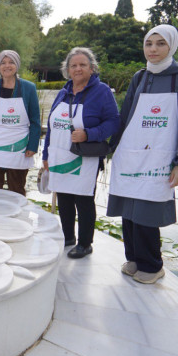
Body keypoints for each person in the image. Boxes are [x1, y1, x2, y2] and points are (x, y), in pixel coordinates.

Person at [107, 25, 178, 284]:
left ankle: (152, 265)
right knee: (129, 209)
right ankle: (135, 258)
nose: (154, 49)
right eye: (149, 44)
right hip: (134, 153)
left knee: (147, 210)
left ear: (171, 46)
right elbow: (126, 115)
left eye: (160, 43)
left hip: (161, 157)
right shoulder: (140, 77)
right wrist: (111, 146)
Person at [42, 47, 120, 258]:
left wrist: (89, 133)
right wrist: (46, 155)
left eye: (82, 65)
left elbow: (114, 121)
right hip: (60, 154)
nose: (78, 69)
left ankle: (85, 243)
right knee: (64, 197)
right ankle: (68, 237)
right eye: (73, 65)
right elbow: (51, 126)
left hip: (85, 156)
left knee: (83, 199)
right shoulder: (63, 92)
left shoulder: (101, 91)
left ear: (92, 68)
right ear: (67, 69)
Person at [0, 50, 40, 195]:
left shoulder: (29, 88)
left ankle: (18, 218)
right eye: (3, 63)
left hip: (19, 149)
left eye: (11, 62)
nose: (7, 66)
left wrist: (33, 144)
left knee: (17, 190)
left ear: (17, 65)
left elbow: (35, 121)